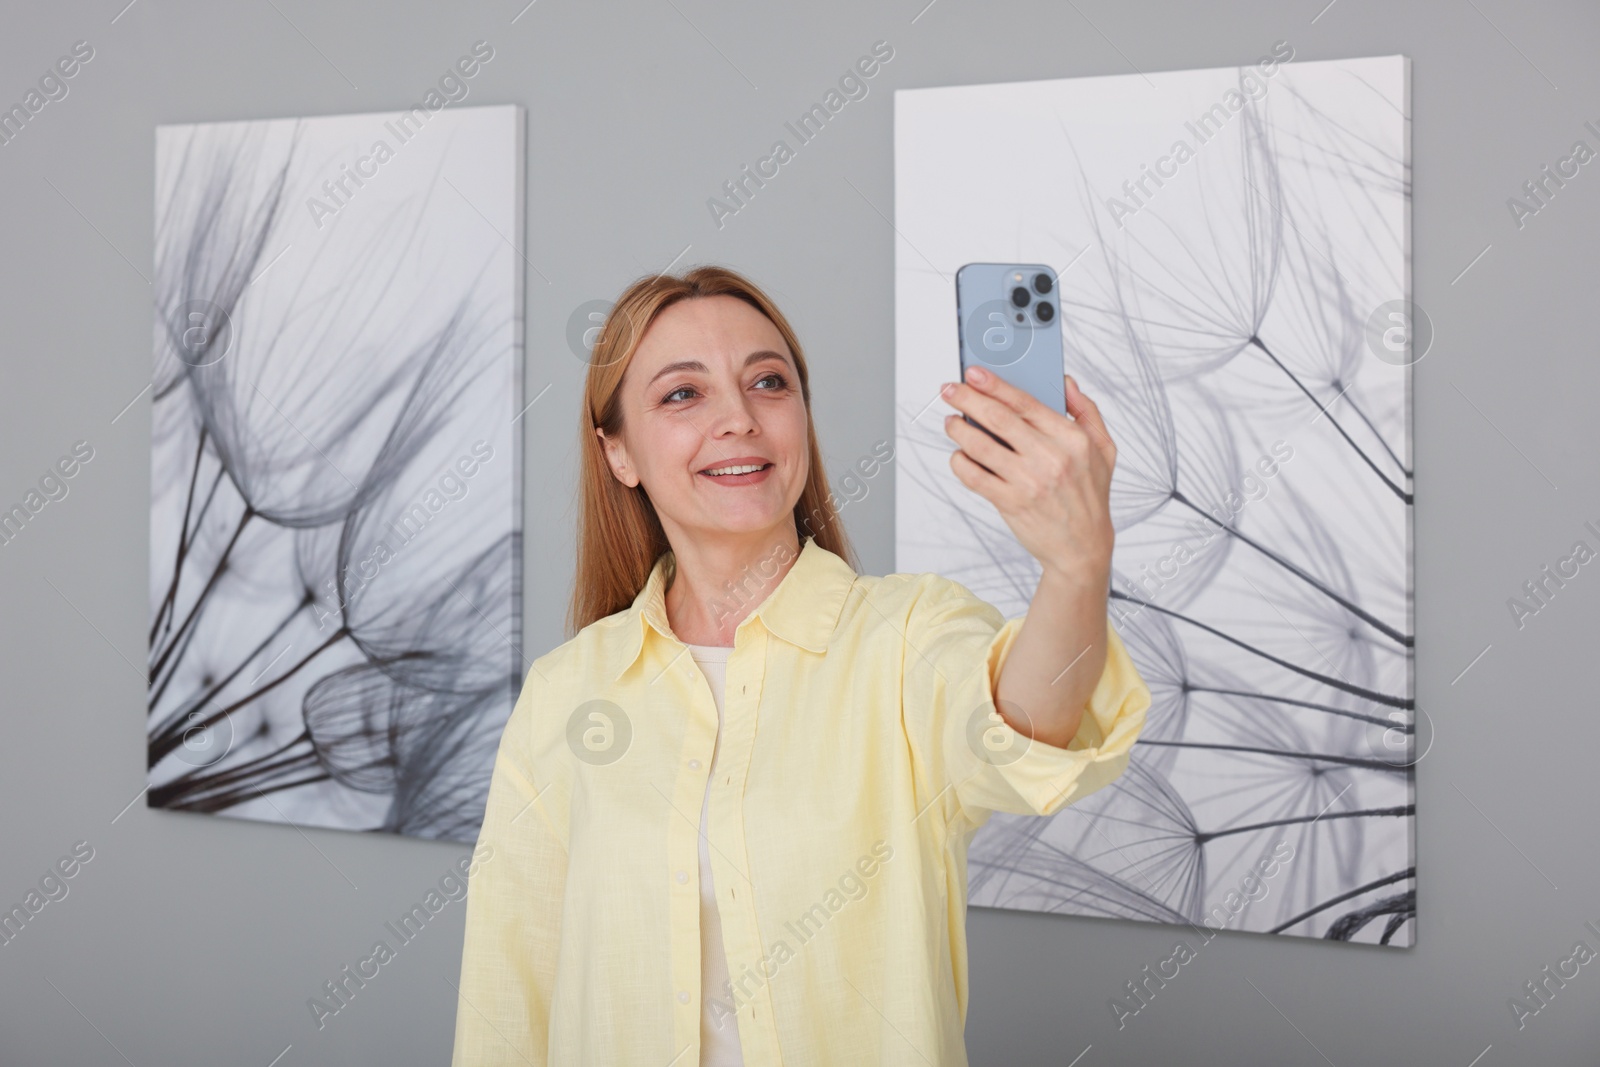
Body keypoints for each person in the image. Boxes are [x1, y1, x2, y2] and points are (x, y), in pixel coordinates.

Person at [449, 265, 1149, 1065]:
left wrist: (1077, 563)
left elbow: (1029, 730)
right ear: (618, 453)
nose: (739, 419)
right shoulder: (568, 690)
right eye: (683, 394)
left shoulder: (909, 636)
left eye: (769, 383)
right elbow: (511, 987)